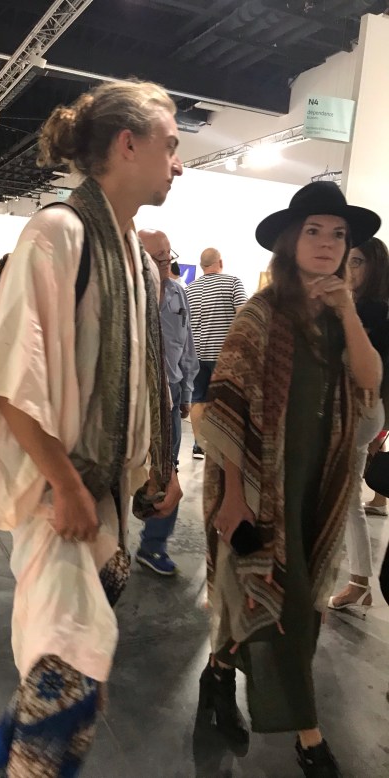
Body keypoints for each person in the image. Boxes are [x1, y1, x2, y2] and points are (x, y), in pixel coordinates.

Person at [0, 79, 183, 777]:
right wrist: (65, 485)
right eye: (171, 146)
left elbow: (143, 379)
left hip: (103, 503)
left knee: (64, 688)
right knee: (66, 689)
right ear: (128, 144)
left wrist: (157, 470)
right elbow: (12, 379)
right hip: (60, 504)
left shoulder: (136, 259)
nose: (178, 165)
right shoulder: (58, 233)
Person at [197, 182, 381, 777]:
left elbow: (370, 379)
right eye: (314, 231)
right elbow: (227, 404)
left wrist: (348, 312)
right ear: (289, 241)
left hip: (318, 487)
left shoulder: (338, 319)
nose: (328, 243)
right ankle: (309, 738)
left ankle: (216, 678)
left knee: (254, 598)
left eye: (339, 235)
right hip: (260, 485)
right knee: (290, 606)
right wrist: (232, 495)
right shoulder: (260, 315)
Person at [328, 237, 389, 611]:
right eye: (348, 261)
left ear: (374, 267)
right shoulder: (371, 308)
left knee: (342, 497)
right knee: (348, 497)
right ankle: (358, 582)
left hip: (358, 411)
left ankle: (354, 580)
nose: (349, 269)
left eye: (357, 262)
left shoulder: (370, 311)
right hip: (365, 411)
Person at [135, 228, 198, 575]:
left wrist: (186, 393)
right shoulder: (127, 292)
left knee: (167, 471)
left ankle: (153, 546)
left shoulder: (178, 293)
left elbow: (187, 346)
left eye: (167, 256)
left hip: (169, 398)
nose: (163, 263)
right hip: (132, 397)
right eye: (155, 257)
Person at [185, 247, 247, 458]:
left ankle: (198, 445)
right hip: (222, 355)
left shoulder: (190, 289)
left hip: (195, 355)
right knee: (224, 402)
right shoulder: (233, 283)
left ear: (201, 266)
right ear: (220, 262)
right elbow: (242, 316)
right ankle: (220, 449)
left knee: (197, 399)